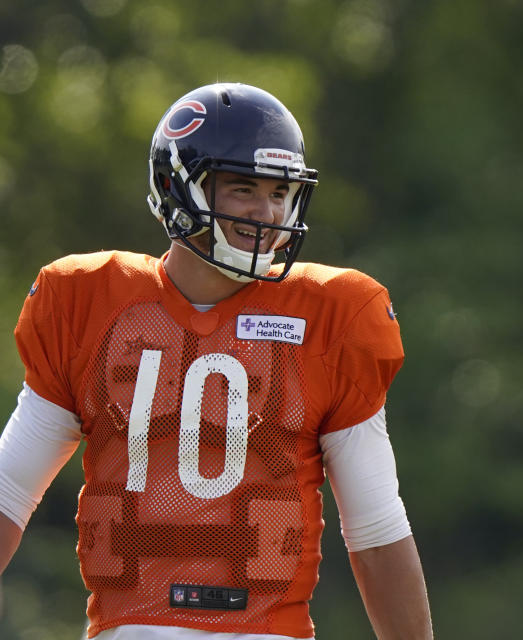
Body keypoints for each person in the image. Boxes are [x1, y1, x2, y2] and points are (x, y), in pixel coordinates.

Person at [0, 82, 433, 640]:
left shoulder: (335, 316)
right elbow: (9, 495)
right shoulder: (86, 303)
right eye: (243, 189)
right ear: (175, 188)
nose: (267, 211)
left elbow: (376, 529)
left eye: (280, 192)